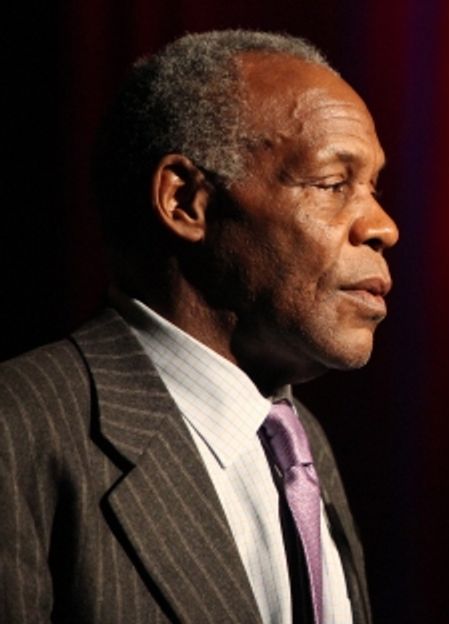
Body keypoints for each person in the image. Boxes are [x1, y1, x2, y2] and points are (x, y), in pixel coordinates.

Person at [0, 30, 398, 623]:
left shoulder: (299, 445)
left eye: (372, 188)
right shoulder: (20, 426)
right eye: (333, 184)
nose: (383, 227)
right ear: (185, 201)